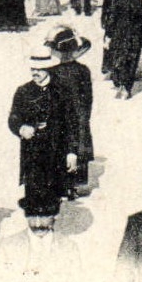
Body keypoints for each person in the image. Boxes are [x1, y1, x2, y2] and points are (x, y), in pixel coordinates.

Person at [8, 47, 78, 217]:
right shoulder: (23, 91)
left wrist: (72, 152)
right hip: (32, 150)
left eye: (39, 69)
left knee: (52, 196)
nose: (35, 73)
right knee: (32, 193)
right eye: (33, 69)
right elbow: (13, 118)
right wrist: (21, 128)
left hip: (56, 149)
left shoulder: (62, 91)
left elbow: (72, 124)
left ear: (48, 69)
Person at [45, 26, 95, 197]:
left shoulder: (52, 72)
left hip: (60, 115)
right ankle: (73, 184)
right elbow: (88, 97)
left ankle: (63, 184)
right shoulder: (83, 70)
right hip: (80, 112)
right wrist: (85, 113)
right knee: (78, 141)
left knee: (60, 143)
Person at [0, 196, 81, 275]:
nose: (37, 224)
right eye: (32, 216)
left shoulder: (69, 247)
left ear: (55, 215)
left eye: (43, 216)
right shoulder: (6, 246)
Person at [102, 0, 142, 97]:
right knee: (132, 60)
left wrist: (108, 34)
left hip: (119, 35)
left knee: (119, 57)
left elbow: (111, 19)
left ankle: (119, 82)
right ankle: (127, 87)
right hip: (135, 35)